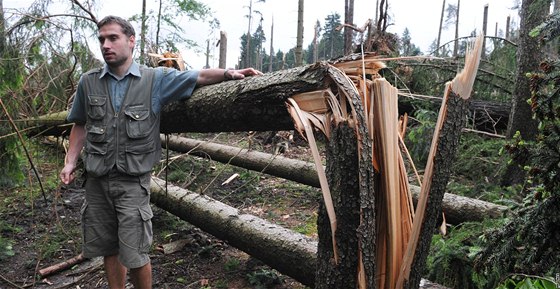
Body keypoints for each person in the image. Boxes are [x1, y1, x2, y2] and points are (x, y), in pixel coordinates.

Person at [59, 15, 262, 289]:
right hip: (96, 181)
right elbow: (80, 124)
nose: (106, 45)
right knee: (108, 246)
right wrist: (70, 162)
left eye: (113, 38)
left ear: (131, 41)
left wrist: (229, 73)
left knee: (136, 252)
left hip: (133, 182)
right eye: (102, 40)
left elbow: (198, 75)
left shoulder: (154, 80)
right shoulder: (89, 82)